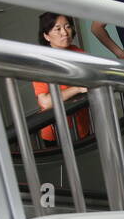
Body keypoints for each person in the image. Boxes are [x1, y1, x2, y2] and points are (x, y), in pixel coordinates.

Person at [32, 12, 89, 143]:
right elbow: (45, 102)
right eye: (57, 29)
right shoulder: (41, 63)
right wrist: (77, 89)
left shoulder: (79, 53)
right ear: (46, 36)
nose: (64, 32)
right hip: (55, 129)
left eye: (67, 26)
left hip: (82, 124)